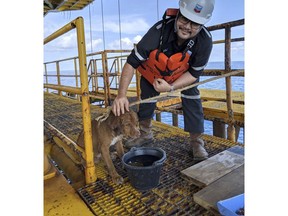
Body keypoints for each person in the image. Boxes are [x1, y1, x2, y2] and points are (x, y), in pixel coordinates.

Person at [111, 0, 215, 161]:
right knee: (146, 93)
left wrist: (171, 87)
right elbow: (132, 62)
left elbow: (194, 74)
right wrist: (121, 95)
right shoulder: (158, 31)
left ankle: (196, 142)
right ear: (178, 14)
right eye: (184, 19)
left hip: (181, 76)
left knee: (192, 94)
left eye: (195, 24)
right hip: (154, 74)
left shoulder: (205, 41)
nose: (187, 26)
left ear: (202, 25)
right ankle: (145, 135)